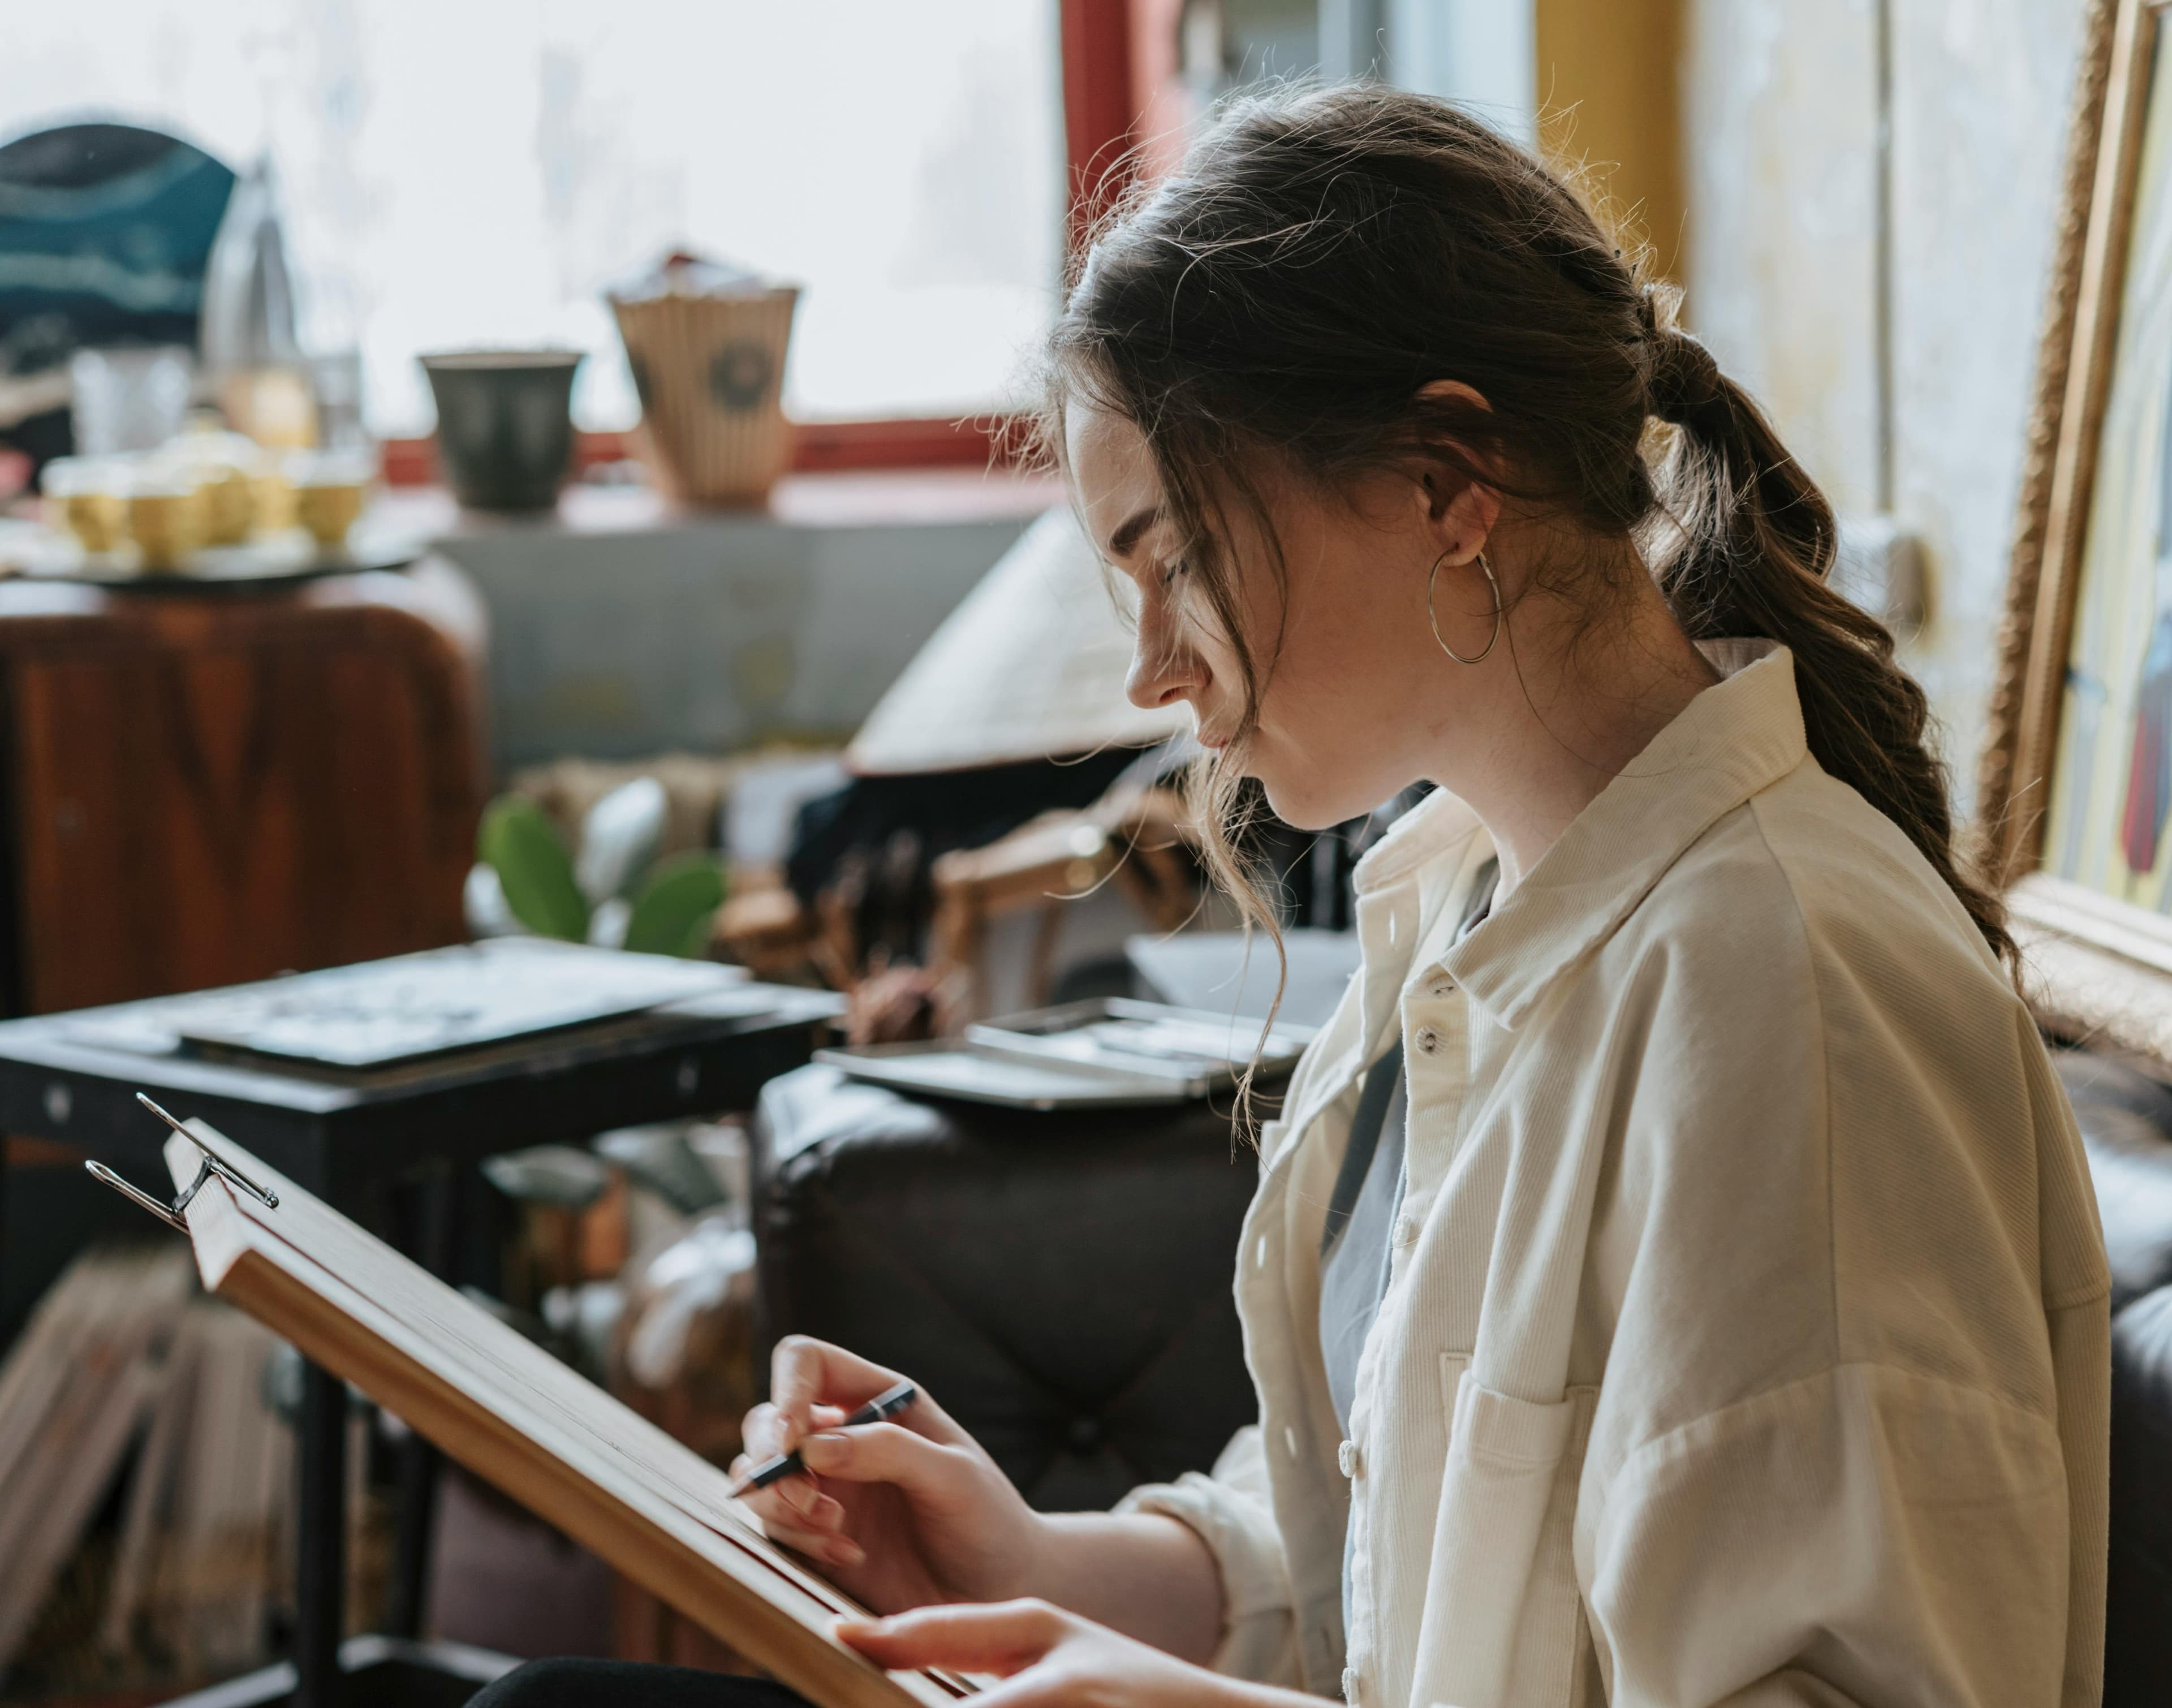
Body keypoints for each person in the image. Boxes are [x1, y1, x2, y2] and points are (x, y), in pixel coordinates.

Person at [475, 85, 2110, 1708]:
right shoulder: (1466, 912)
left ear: (1446, 482)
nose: (1148, 665)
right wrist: (1039, 1566)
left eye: (1172, 556)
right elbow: (1379, 1568)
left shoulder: (1787, 998)